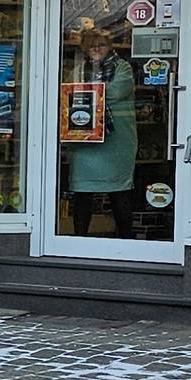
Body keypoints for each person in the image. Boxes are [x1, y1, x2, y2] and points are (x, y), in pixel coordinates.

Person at [64, 25, 139, 235]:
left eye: (102, 45)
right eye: (92, 45)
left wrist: (86, 93)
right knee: (82, 192)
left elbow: (117, 91)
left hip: (117, 142)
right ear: (86, 48)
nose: (97, 49)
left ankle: (126, 241)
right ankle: (79, 239)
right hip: (85, 140)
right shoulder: (78, 70)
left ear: (109, 46)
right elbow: (68, 95)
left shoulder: (122, 68)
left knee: (119, 192)